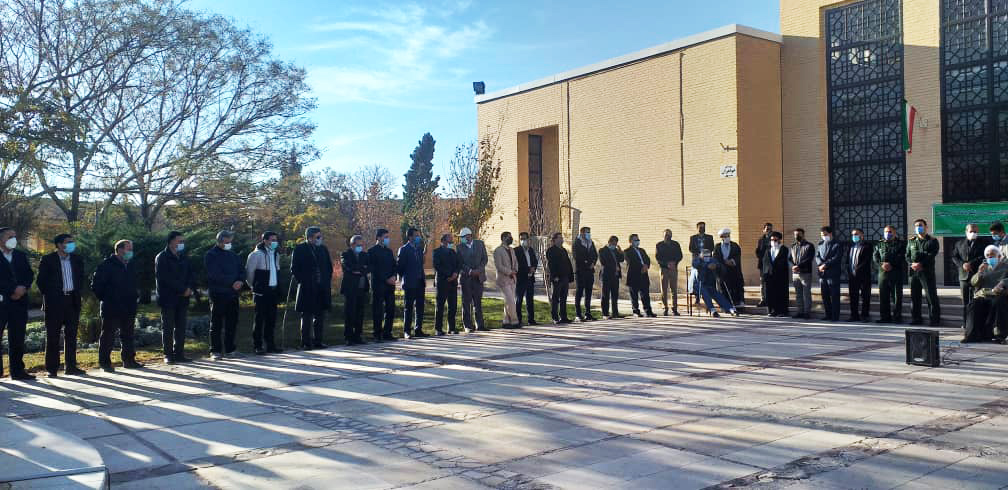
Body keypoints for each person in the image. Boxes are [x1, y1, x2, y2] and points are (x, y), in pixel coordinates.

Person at [37, 234, 85, 377]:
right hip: (54, 302)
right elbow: (41, 282)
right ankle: (52, 369)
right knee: (53, 336)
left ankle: (71, 367)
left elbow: (80, 278)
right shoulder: (48, 260)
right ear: (59, 244)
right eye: (68, 242)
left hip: (72, 301)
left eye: (72, 242)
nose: (71, 244)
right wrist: (51, 296)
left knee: (71, 335)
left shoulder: (77, 259)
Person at [92, 239, 142, 372]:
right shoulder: (106, 265)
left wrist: (135, 296)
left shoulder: (131, 265)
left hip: (129, 306)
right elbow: (96, 286)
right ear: (119, 250)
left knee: (128, 335)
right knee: (108, 336)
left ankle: (129, 360)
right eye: (128, 249)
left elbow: (135, 283)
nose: (131, 252)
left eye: (131, 249)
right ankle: (105, 363)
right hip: (112, 307)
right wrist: (108, 299)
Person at [0, 228, 35, 380]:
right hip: (2, 301)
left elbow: (29, 274)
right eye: (10, 237)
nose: (13, 239)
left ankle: (17, 371)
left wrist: (23, 288)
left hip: (19, 302)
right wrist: (12, 290)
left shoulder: (20, 255)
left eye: (14, 236)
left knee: (17, 338)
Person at [156, 231, 195, 363]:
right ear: (171, 241)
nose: (182, 243)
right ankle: (168, 354)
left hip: (183, 298)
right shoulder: (162, 257)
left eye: (183, 241)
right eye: (180, 241)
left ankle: (179, 353)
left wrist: (189, 288)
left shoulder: (184, 257)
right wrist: (182, 289)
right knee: (168, 327)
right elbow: (164, 278)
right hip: (168, 298)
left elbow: (191, 274)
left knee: (181, 327)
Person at [291, 227, 333, 350]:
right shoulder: (300, 249)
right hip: (307, 287)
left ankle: (318, 341)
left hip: (321, 287)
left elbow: (329, 267)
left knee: (320, 315)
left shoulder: (323, 249)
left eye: (320, 236)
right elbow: (294, 268)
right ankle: (306, 342)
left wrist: (326, 280)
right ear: (309, 237)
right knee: (307, 315)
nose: (320, 239)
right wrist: (303, 281)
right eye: (317, 237)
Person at [206, 230, 244, 360]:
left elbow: (241, 270)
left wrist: (240, 281)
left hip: (232, 294)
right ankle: (215, 350)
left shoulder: (233, 255)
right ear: (220, 241)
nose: (229, 244)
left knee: (232, 323)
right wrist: (232, 282)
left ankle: (230, 349)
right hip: (218, 293)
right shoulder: (211, 255)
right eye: (227, 242)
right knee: (216, 323)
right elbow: (214, 274)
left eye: (230, 242)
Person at [245, 231, 282, 355]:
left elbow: (277, 270)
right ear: (265, 240)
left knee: (271, 319)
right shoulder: (255, 255)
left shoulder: (276, 254)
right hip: (261, 292)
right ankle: (258, 345)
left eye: (276, 240)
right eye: (272, 240)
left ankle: (270, 345)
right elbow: (249, 273)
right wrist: (254, 286)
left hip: (273, 290)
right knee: (259, 319)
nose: (275, 242)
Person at [963, 245, 1007, 343]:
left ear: (999, 256)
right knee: (973, 304)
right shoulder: (983, 267)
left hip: (999, 294)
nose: (990, 257)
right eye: (988, 255)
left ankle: (999, 335)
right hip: (985, 294)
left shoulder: (1005, 266)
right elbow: (973, 282)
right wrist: (979, 272)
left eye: (992, 255)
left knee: (998, 303)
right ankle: (972, 335)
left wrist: (1003, 282)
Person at [953, 223, 989, 326]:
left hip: (977, 276)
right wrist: (963, 264)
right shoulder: (959, 243)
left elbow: (984, 256)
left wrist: (971, 264)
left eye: (975, 231)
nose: (973, 233)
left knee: (977, 300)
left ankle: (976, 323)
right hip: (963, 276)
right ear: (966, 232)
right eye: (971, 231)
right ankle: (966, 323)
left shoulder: (984, 243)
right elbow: (954, 257)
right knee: (965, 302)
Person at [907, 219, 941, 326]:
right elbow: (907, 255)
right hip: (914, 273)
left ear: (926, 227)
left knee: (931, 296)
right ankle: (916, 318)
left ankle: (934, 320)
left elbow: (932, 254)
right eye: (916, 226)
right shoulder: (911, 241)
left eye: (920, 225)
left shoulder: (932, 241)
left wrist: (920, 263)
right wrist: (911, 264)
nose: (918, 227)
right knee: (915, 297)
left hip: (927, 272)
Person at [457, 227, 488, 333]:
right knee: (466, 302)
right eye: (461, 237)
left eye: (463, 237)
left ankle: (480, 324)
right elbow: (460, 263)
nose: (462, 239)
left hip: (479, 277)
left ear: (469, 236)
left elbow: (484, 259)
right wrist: (470, 271)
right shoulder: (459, 247)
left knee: (478, 302)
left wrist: (479, 270)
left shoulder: (480, 244)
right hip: (466, 278)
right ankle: (468, 326)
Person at [340, 235, 369, 345]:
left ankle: (358, 336)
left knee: (360, 313)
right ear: (352, 245)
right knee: (350, 313)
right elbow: (348, 266)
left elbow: (369, 267)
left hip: (362, 287)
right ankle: (348, 337)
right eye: (358, 245)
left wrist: (359, 270)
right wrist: (361, 268)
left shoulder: (364, 255)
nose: (360, 247)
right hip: (350, 288)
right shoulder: (345, 254)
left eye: (361, 245)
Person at [873, 226, 906, 324]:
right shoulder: (879, 244)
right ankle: (885, 317)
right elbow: (875, 257)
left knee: (896, 297)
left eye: (890, 232)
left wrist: (891, 264)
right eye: (886, 232)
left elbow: (902, 256)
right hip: (883, 274)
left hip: (895, 273)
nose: (888, 233)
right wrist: (881, 264)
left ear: (895, 233)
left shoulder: (900, 244)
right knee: (883, 297)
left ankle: (897, 317)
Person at [368, 229, 397, 342]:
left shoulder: (389, 251)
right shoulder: (372, 251)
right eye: (385, 237)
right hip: (379, 285)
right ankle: (377, 334)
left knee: (390, 309)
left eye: (388, 237)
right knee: (378, 310)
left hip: (390, 286)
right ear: (379, 237)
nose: (387, 239)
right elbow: (374, 269)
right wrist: (386, 279)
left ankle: (387, 332)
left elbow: (394, 266)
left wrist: (394, 276)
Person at [399, 227, 427, 338]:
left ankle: (418, 329)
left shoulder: (419, 249)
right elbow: (400, 267)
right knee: (408, 307)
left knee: (420, 306)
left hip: (420, 282)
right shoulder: (404, 249)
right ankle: (407, 331)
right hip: (409, 282)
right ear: (410, 237)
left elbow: (421, 264)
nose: (418, 237)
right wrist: (404, 278)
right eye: (416, 235)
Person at [693, 249, 739, 317]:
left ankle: (730, 309)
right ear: (701, 256)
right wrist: (706, 265)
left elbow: (721, 266)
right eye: (705, 256)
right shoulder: (697, 260)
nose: (707, 258)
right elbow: (696, 264)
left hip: (709, 284)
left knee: (718, 295)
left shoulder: (712, 260)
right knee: (705, 293)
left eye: (708, 256)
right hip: (699, 284)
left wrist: (716, 266)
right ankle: (712, 310)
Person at [432, 233, 460, 334]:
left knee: (453, 306)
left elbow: (458, 264)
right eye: (449, 238)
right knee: (440, 306)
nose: (452, 240)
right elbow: (437, 266)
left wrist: (455, 274)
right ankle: (438, 329)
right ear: (443, 240)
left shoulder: (452, 252)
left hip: (453, 282)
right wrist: (448, 275)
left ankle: (451, 328)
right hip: (442, 282)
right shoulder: (436, 252)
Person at [625, 234, 657, 317]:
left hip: (644, 274)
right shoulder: (627, 251)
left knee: (645, 294)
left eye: (638, 239)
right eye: (635, 240)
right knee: (634, 295)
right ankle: (636, 311)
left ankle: (648, 311)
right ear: (630, 241)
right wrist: (641, 267)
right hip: (634, 275)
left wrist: (646, 265)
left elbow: (647, 259)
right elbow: (631, 262)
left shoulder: (642, 250)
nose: (637, 241)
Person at [494, 231, 520, 328]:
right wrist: (509, 272)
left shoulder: (512, 250)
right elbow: (499, 266)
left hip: (512, 279)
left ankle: (506, 322)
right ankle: (514, 321)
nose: (511, 238)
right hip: (503, 279)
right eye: (509, 237)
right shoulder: (498, 250)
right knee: (511, 300)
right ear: (504, 238)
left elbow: (515, 261)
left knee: (508, 301)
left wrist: (515, 270)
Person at [847, 228, 874, 322]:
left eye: (856, 234)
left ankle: (865, 316)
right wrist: (850, 271)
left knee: (865, 296)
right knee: (853, 296)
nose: (854, 236)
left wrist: (857, 270)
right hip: (852, 276)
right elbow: (848, 260)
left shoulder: (867, 246)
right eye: (853, 235)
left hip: (863, 276)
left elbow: (866, 260)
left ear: (862, 235)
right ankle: (854, 315)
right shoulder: (851, 246)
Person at [546, 232, 573, 324]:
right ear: (554, 240)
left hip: (565, 277)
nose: (562, 239)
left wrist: (570, 275)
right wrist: (554, 276)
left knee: (563, 298)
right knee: (555, 298)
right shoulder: (551, 250)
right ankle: (555, 317)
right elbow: (551, 264)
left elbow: (567, 263)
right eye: (560, 238)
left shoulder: (563, 250)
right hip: (557, 278)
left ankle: (563, 316)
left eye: (562, 238)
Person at [816, 226, 842, 322]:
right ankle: (828, 314)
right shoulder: (820, 244)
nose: (823, 236)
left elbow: (836, 257)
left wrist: (825, 265)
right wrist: (820, 265)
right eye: (822, 235)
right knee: (825, 295)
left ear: (830, 234)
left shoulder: (837, 244)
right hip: (823, 274)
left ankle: (835, 316)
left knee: (834, 296)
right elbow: (817, 256)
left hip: (833, 273)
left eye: (825, 234)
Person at [572, 226, 598, 321]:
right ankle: (578, 314)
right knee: (579, 292)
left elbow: (595, 255)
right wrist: (587, 264)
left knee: (588, 292)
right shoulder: (577, 243)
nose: (588, 234)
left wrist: (593, 263)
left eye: (589, 232)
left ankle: (588, 313)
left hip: (590, 271)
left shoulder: (591, 242)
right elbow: (577, 256)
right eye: (587, 232)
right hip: (581, 271)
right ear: (582, 233)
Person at [761, 232, 790, 317]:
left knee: (781, 293)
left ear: (779, 240)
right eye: (772, 240)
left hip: (780, 275)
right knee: (770, 293)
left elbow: (783, 262)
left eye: (775, 240)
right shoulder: (768, 250)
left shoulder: (784, 249)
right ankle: (772, 310)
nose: (773, 241)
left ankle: (782, 311)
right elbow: (765, 262)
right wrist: (765, 273)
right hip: (769, 276)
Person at [714, 228, 745, 306]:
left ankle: (738, 302)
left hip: (734, 270)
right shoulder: (717, 247)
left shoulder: (735, 245)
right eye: (725, 236)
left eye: (728, 236)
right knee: (724, 288)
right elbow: (715, 258)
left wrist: (732, 261)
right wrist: (724, 262)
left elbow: (738, 255)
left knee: (736, 286)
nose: (727, 237)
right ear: (721, 237)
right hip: (723, 271)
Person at [656, 229, 683, 316]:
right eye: (666, 234)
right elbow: (658, 257)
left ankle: (674, 308)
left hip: (673, 268)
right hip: (664, 269)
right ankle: (665, 308)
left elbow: (680, 255)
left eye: (669, 234)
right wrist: (666, 264)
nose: (668, 236)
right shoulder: (659, 245)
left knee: (674, 289)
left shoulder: (676, 244)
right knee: (664, 289)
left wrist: (675, 263)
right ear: (663, 236)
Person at [515, 232, 539, 326]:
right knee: (519, 300)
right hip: (521, 278)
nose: (523, 241)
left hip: (530, 278)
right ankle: (518, 320)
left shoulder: (531, 250)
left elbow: (535, 261)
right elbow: (517, 264)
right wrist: (528, 269)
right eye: (521, 239)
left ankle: (531, 319)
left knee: (530, 299)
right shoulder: (516, 251)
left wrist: (533, 268)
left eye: (525, 239)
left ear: (528, 239)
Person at [790, 228, 815, 319]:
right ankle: (800, 311)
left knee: (806, 294)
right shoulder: (793, 246)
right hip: (795, 274)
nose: (797, 236)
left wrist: (798, 266)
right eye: (795, 234)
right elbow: (790, 258)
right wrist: (793, 266)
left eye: (799, 234)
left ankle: (807, 312)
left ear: (803, 235)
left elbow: (809, 259)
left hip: (805, 273)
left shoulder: (809, 245)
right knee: (798, 294)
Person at [689, 222, 715, 305]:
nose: (702, 229)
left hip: (707, 260)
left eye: (703, 227)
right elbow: (691, 248)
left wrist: (705, 253)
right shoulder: (693, 238)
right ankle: (697, 296)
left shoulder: (709, 237)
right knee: (696, 278)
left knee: (707, 278)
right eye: (700, 227)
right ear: (697, 228)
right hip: (697, 260)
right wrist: (699, 254)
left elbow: (712, 248)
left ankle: (708, 297)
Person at [600, 236, 625, 319]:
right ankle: (605, 313)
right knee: (605, 295)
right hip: (606, 275)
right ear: (609, 242)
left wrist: (621, 252)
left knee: (615, 295)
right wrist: (614, 267)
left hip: (615, 276)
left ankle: (615, 312)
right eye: (613, 243)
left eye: (616, 243)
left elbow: (621, 259)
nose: (615, 245)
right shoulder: (603, 250)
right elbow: (604, 262)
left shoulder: (615, 251)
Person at [755, 223, 774, 308]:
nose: (769, 231)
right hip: (763, 264)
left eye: (770, 229)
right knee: (763, 283)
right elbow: (758, 250)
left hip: (771, 264)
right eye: (767, 229)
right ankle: (763, 299)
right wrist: (761, 257)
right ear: (764, 230)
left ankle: (770, 299)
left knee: (771, 282)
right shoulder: (761, 240)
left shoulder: (774, 239)